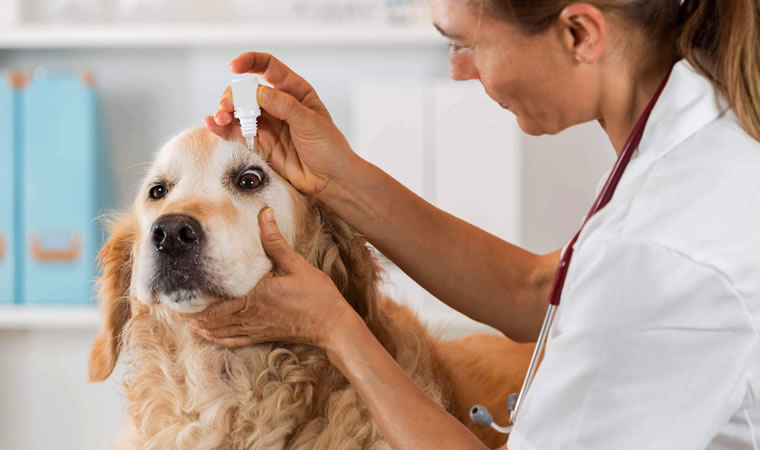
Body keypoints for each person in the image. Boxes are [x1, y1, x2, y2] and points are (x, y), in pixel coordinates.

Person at [180, 0, 760, 448]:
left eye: (464, 43)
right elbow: (538, 290)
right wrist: (337, 178)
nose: (458, 71)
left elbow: (615, 280)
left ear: (580, 33)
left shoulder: (661, 250)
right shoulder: (707, 136)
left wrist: (338, 330)